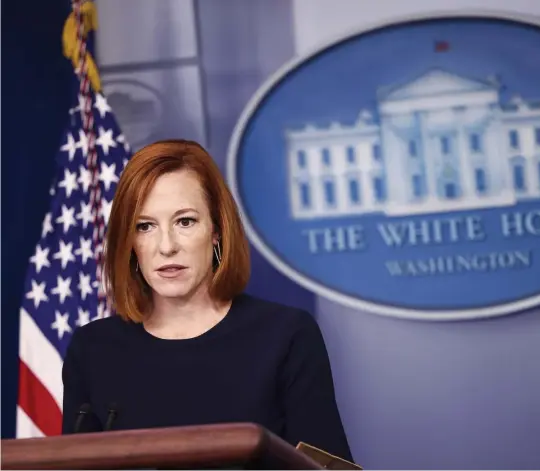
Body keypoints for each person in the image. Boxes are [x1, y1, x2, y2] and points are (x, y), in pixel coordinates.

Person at [61, 139, 353, 462]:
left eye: (185, 221)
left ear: (216, 230)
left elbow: (328, 467)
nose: (167, 246)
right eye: (145, 227)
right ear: (130, 243)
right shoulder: (93, 350)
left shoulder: (286, 336)